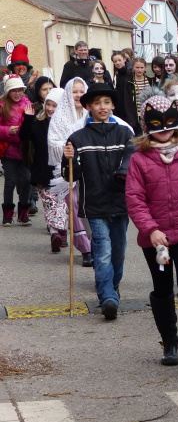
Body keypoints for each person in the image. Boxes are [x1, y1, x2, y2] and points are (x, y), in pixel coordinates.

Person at [125, 91, 178, 367]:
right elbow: (135, 199)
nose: (164, 130)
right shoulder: (139, 160)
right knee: (163, 288)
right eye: (157, 125)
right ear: (146, 127)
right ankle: (170, 342)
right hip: (158, 241)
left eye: (169, 124)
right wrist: (151, 229)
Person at [62, 83, 135, 319]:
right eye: (96, 103)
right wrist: (68, 160)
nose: (102, 107)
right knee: (102, 250)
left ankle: (112, 285)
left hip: (120, 201)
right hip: (94, 203)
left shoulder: (125, 134)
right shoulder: (77, 138)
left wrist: (124, 174)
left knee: (119, 251)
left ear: (113, 105)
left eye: (106, 102)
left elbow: (132, 160)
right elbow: (71, 175)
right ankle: (107, 297)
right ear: (88, 107)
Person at [46, 77, 94, 264]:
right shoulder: (60, 117)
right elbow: (53, 141)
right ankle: (86, 249)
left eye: (82, 91)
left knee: (92, 205)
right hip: (69, 170)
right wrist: (69, 149)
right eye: (74, 92)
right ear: (67, 93)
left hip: (92, 168)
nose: (78, 95)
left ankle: (97, 243)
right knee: (75, 203)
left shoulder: (92, 114)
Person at [20, 87, 63, 249]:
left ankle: (61, 231)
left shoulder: (66, 124)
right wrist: (28, 119)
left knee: (61, 205)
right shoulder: (39, 123)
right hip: (42, 171)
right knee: (49, 203)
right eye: (48, 105)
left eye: (54, 105)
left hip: (62, 172)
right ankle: (55, 233)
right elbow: (24, 137)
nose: (50, 109)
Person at [0, 75, 34, 226]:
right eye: (14, 90)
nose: (17, 93)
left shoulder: (28, 104)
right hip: (8, 150)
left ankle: (23, 212)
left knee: (26, 180)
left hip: (24, 150)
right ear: (8, 91)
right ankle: (8, 214)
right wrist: (7, 131)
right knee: (10, 181)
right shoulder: (2, 105)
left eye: (20, 90)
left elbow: (32, 125)